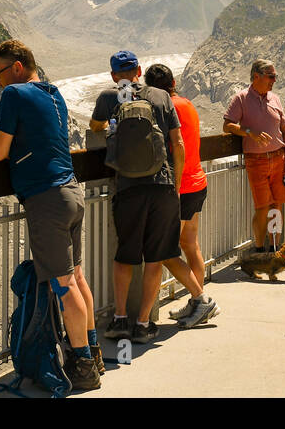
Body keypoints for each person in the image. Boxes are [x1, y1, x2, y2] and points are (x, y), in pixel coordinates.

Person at [0, 39, 100, 391]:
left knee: (63, 286)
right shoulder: (54, 93)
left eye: (0, 74)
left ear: (17, 68)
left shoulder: (15, 94)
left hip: (46, 199)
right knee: (77, 278)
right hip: (72, 192)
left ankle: (82, 366)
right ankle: (93, 351)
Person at [92, 51, 218, 342]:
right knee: (155, 257)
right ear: (138, 70)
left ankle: (120, 319)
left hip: (128, 187)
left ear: (113, 75)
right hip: (162, 186)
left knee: (125, 255)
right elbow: (177, 143)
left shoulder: (108, 97)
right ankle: (143, 324)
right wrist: (174, 186)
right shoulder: (161, 96)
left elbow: (95, 127)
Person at [143, 63, 207, 319]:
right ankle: (197, 303)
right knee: (190, 245)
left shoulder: (165, 108)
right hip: (197, 181)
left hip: (180, 186)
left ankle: (201, 299)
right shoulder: (187, 104)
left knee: (164, 252)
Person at [224, 59, 285, 252]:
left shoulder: (275, 98)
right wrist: (249, 132)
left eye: (275, 76)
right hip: (256, 160)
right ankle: (260, 249)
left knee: (276, 205)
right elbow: (227, 125)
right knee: (262, 207)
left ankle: (274, 249)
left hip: (279, 158)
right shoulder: (241, 98)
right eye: (271, 76)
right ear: (257, 76)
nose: (274, 80)